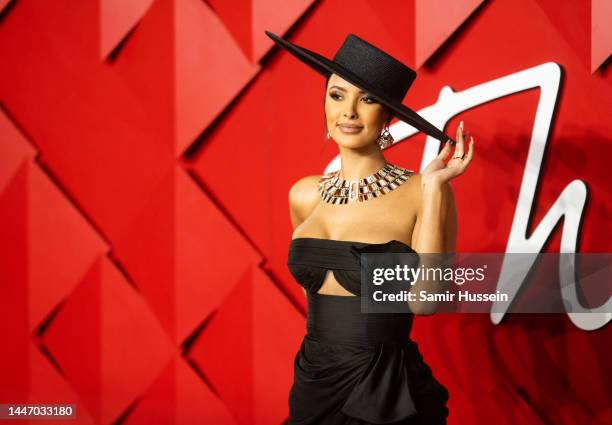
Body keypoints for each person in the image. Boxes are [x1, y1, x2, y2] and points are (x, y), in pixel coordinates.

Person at [265, 31, 474, 425]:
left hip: (379, 391)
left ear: (389, 116)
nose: (349, 112)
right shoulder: (304, 194)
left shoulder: (422, 192)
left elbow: (425, 304)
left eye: (368, 99)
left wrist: (432, 188)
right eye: (337, 95)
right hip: (312, 381)